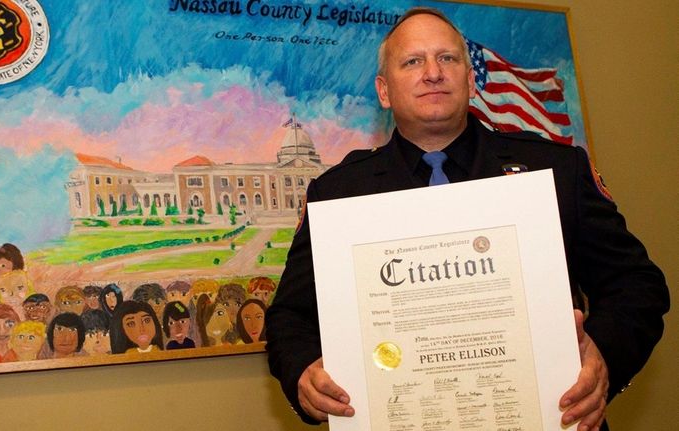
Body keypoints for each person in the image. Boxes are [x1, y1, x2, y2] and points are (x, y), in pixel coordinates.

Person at [265, 7, 669, 431]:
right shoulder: (338, 195)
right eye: (412, 61)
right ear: (384, 92)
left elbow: (637, 286)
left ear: (471, 81)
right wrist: (304, 374)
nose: (433, 73)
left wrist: (602, 358)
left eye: (448, 58)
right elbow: (290, 317)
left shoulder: (555, 170)